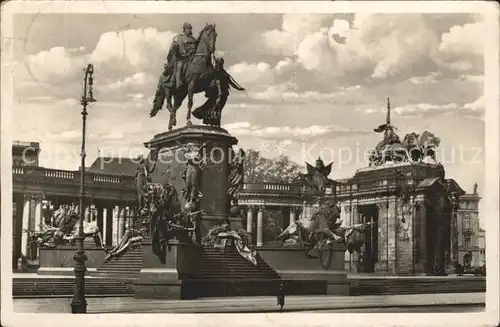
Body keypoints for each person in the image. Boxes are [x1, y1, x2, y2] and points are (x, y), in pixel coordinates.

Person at [171, 23, 197, 88]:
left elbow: (195, 47)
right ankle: (178, 82)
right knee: (180, 65)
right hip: (183, 58)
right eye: (188, 29)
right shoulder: (180, 38)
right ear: (184, 30)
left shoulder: (193, 39)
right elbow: (176, 47)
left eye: (190, 29)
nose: (189, 30)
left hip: (192, 56)